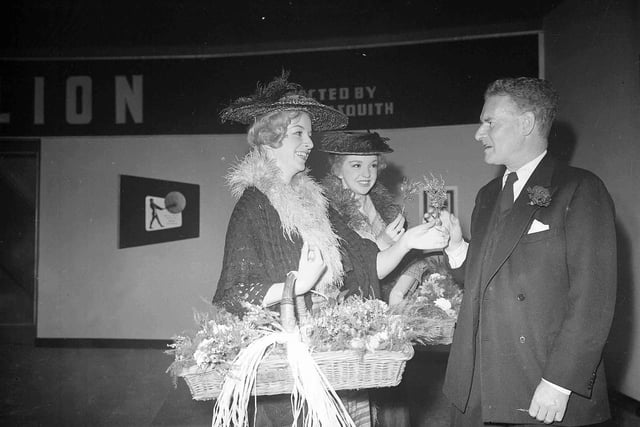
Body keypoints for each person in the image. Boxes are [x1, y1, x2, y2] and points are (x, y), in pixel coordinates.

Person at [213, 72, 449, 426]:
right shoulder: (255, 204)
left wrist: (407, 242)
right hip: (293, 369)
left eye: (310, 133)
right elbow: (235, 293)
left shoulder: (316, 202)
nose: (310, 143)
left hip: (334, 356)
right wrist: (299, 285)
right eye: (299, 133)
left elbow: (370, 264)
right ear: (269, 139)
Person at [440, 77, 617, 426]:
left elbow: (593, 297)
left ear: (526, 124)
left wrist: (560, 381)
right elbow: (487, 280)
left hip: (540, 383)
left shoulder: (580, 188)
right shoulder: (487, 195)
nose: (479, 133)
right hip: (477, 386)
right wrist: (458, 247)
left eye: (490, 122)